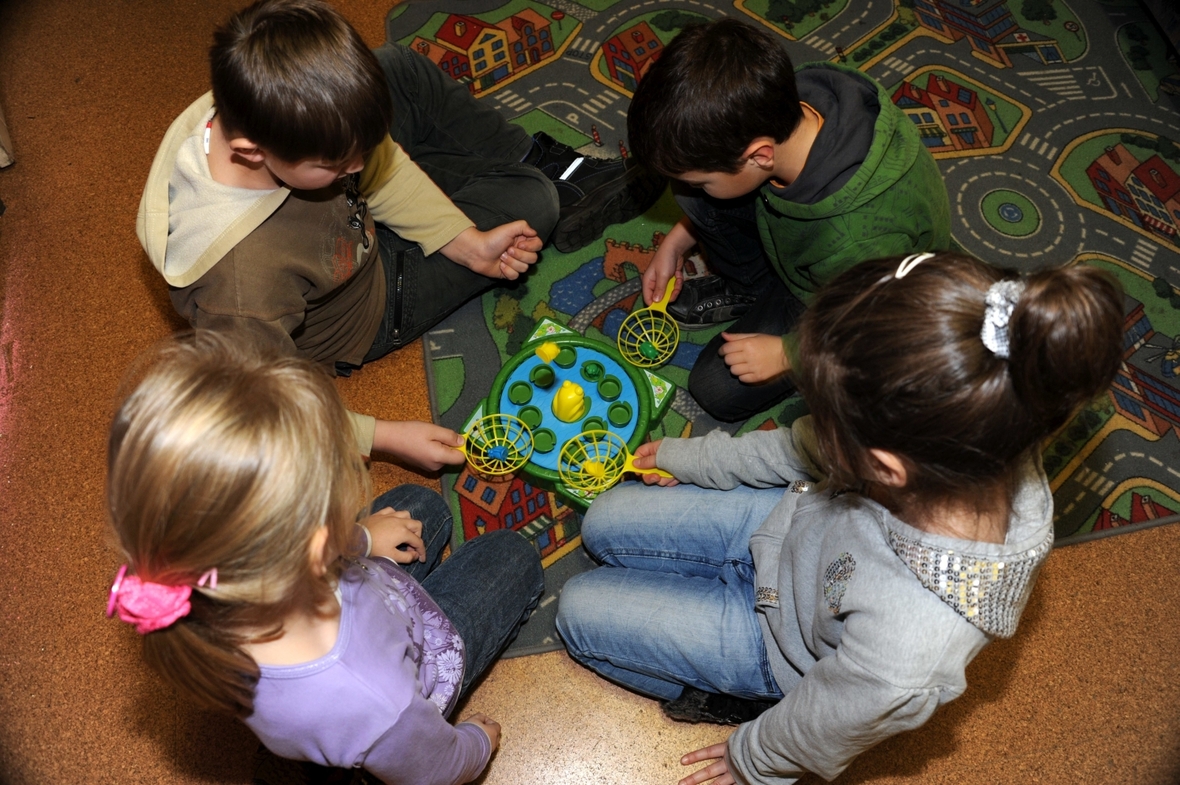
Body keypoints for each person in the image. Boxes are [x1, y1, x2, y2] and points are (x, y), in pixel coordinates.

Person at [556, 253, 1123, 785]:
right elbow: (803, 449)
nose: (811, 421)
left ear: (883, 467)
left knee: (577, 615)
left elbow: (823, 724)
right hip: (782, 524)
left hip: (773, 649)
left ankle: (738, 700)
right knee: (602, 521)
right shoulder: (967, 429)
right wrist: (699, 458)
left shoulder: (913, 650)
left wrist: (752, 758)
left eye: (824, 418)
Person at [136, 0, 665, 468]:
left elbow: (373, 168)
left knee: (397, 68)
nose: (365, 164)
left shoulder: (254, 111)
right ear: (252, 151)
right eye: (339, 162)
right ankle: (552, 182)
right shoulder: (241, 288)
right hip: (372, 303)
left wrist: (463, 241)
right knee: (534, 200)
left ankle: (542, 161)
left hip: (347, 227)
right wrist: (382, 437)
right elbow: (262, 407)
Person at [105, 331, 544, 785]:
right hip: (415, 671)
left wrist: (362, 541)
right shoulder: (374, 697)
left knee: (419, 505)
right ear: (317, 547)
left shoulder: (194, 582)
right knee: (511, 555)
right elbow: (438, 768)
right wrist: (478, 741)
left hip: (362, 625)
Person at [626, 19, 951, 422]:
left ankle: (780, 314)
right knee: (696, 199)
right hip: (798, 230)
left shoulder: (852, 239)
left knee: (714, 387)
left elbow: (872, 323)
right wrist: (678, 239)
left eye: (704, 178)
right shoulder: (788, 102)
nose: (695, 185)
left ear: (759, 155)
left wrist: (788, 353)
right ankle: (751, 287)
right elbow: (707, 188)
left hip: (849, 297)